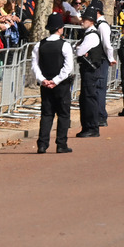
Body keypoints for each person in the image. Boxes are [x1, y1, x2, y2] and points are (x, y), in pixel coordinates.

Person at [33, 13, 75, 154]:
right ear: (60, 29)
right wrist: (56, 80)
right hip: (61, 85)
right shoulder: (65, 45)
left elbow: (35, 65)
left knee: (47, 114)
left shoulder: (39, 45)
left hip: (45, 85)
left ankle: (42, 144)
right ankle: (61, 144)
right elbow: (68, 67)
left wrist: (43, 80)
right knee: (63, 114)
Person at [73, 8, 108, 137]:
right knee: (85, 98)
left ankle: (92, 127)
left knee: (89, 99)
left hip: (91, 71)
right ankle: (87, 126)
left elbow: (78, 51)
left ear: (92, 21)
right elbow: (76, 48)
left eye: (85, 19)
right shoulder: (87, 34)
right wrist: (78, 48)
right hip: (87, 70)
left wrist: (79, 49)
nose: (82, 21)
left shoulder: (92, 35)